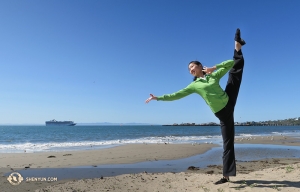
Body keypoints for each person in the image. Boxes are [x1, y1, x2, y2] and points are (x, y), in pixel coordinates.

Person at [145, 28, 246, 184]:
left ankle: (237, 47)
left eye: (192, 66)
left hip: (228, 99)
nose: (191, 70)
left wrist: (215, 67)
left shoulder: (212, 74)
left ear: (200, 66)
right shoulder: (194, 86)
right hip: (222, 113)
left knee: (235, 73)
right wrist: (158, 98)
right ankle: (226, 176)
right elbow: (176, 95)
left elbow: (231, 63)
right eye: (189, 69)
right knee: (228, 143)